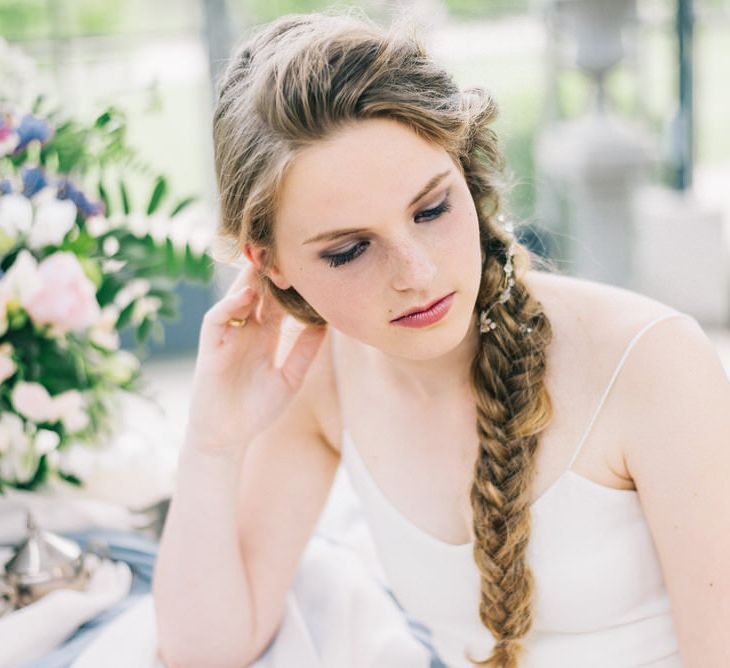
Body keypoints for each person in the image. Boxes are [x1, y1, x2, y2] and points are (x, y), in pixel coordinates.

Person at [152, 10, 730, 668]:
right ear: (271, 265)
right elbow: (207, 651)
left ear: (466, 170)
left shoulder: (651, 364)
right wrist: (212, 439)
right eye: (348, 250)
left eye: (431, 210)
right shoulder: (324, 378)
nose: (416, 274)